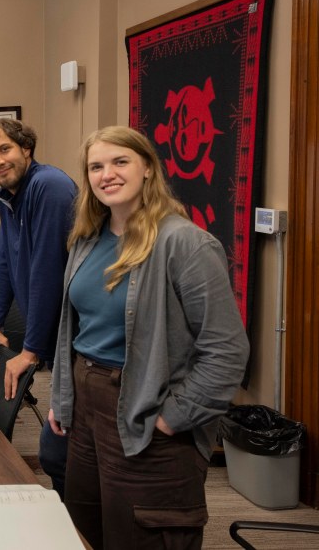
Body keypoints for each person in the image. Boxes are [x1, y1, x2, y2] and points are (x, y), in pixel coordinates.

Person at [48, 126, 249, 548]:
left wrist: (172, 418)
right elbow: (76, 331)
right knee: (86, 528)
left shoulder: (185, 244)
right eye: (96, 166)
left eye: (120, 161)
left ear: (147, 168)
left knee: (143, 535)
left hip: (147, 406)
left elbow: (226, 351)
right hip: (87, 406)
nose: (108, 174)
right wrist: (63, 395)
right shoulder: (86, 239)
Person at [0, 118, 76, 495]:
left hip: (79, 338)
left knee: (61, 453)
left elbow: (47, 271)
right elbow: (6, 264)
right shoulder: (10, 196)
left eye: (4, 149)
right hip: (60, 341)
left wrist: (30, 351)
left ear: (26, 148)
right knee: (58, 451)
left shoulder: (48, 186)